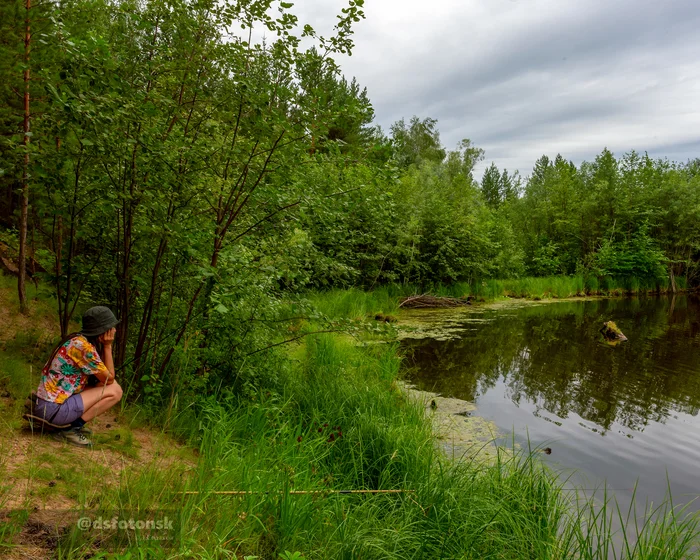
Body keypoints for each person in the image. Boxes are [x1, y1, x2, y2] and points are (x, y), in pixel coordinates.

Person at [32, 306, 124, 447]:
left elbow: (101, 380)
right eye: (112, 328)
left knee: (104, 386)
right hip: (53, 411)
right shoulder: (83, 347)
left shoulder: (76, 340)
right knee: (115, 391)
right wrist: (107, 346)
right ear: (102, 330)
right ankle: (71, 429)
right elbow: (109, 379)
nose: (114, 331)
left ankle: (71, 426)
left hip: (46, 406)